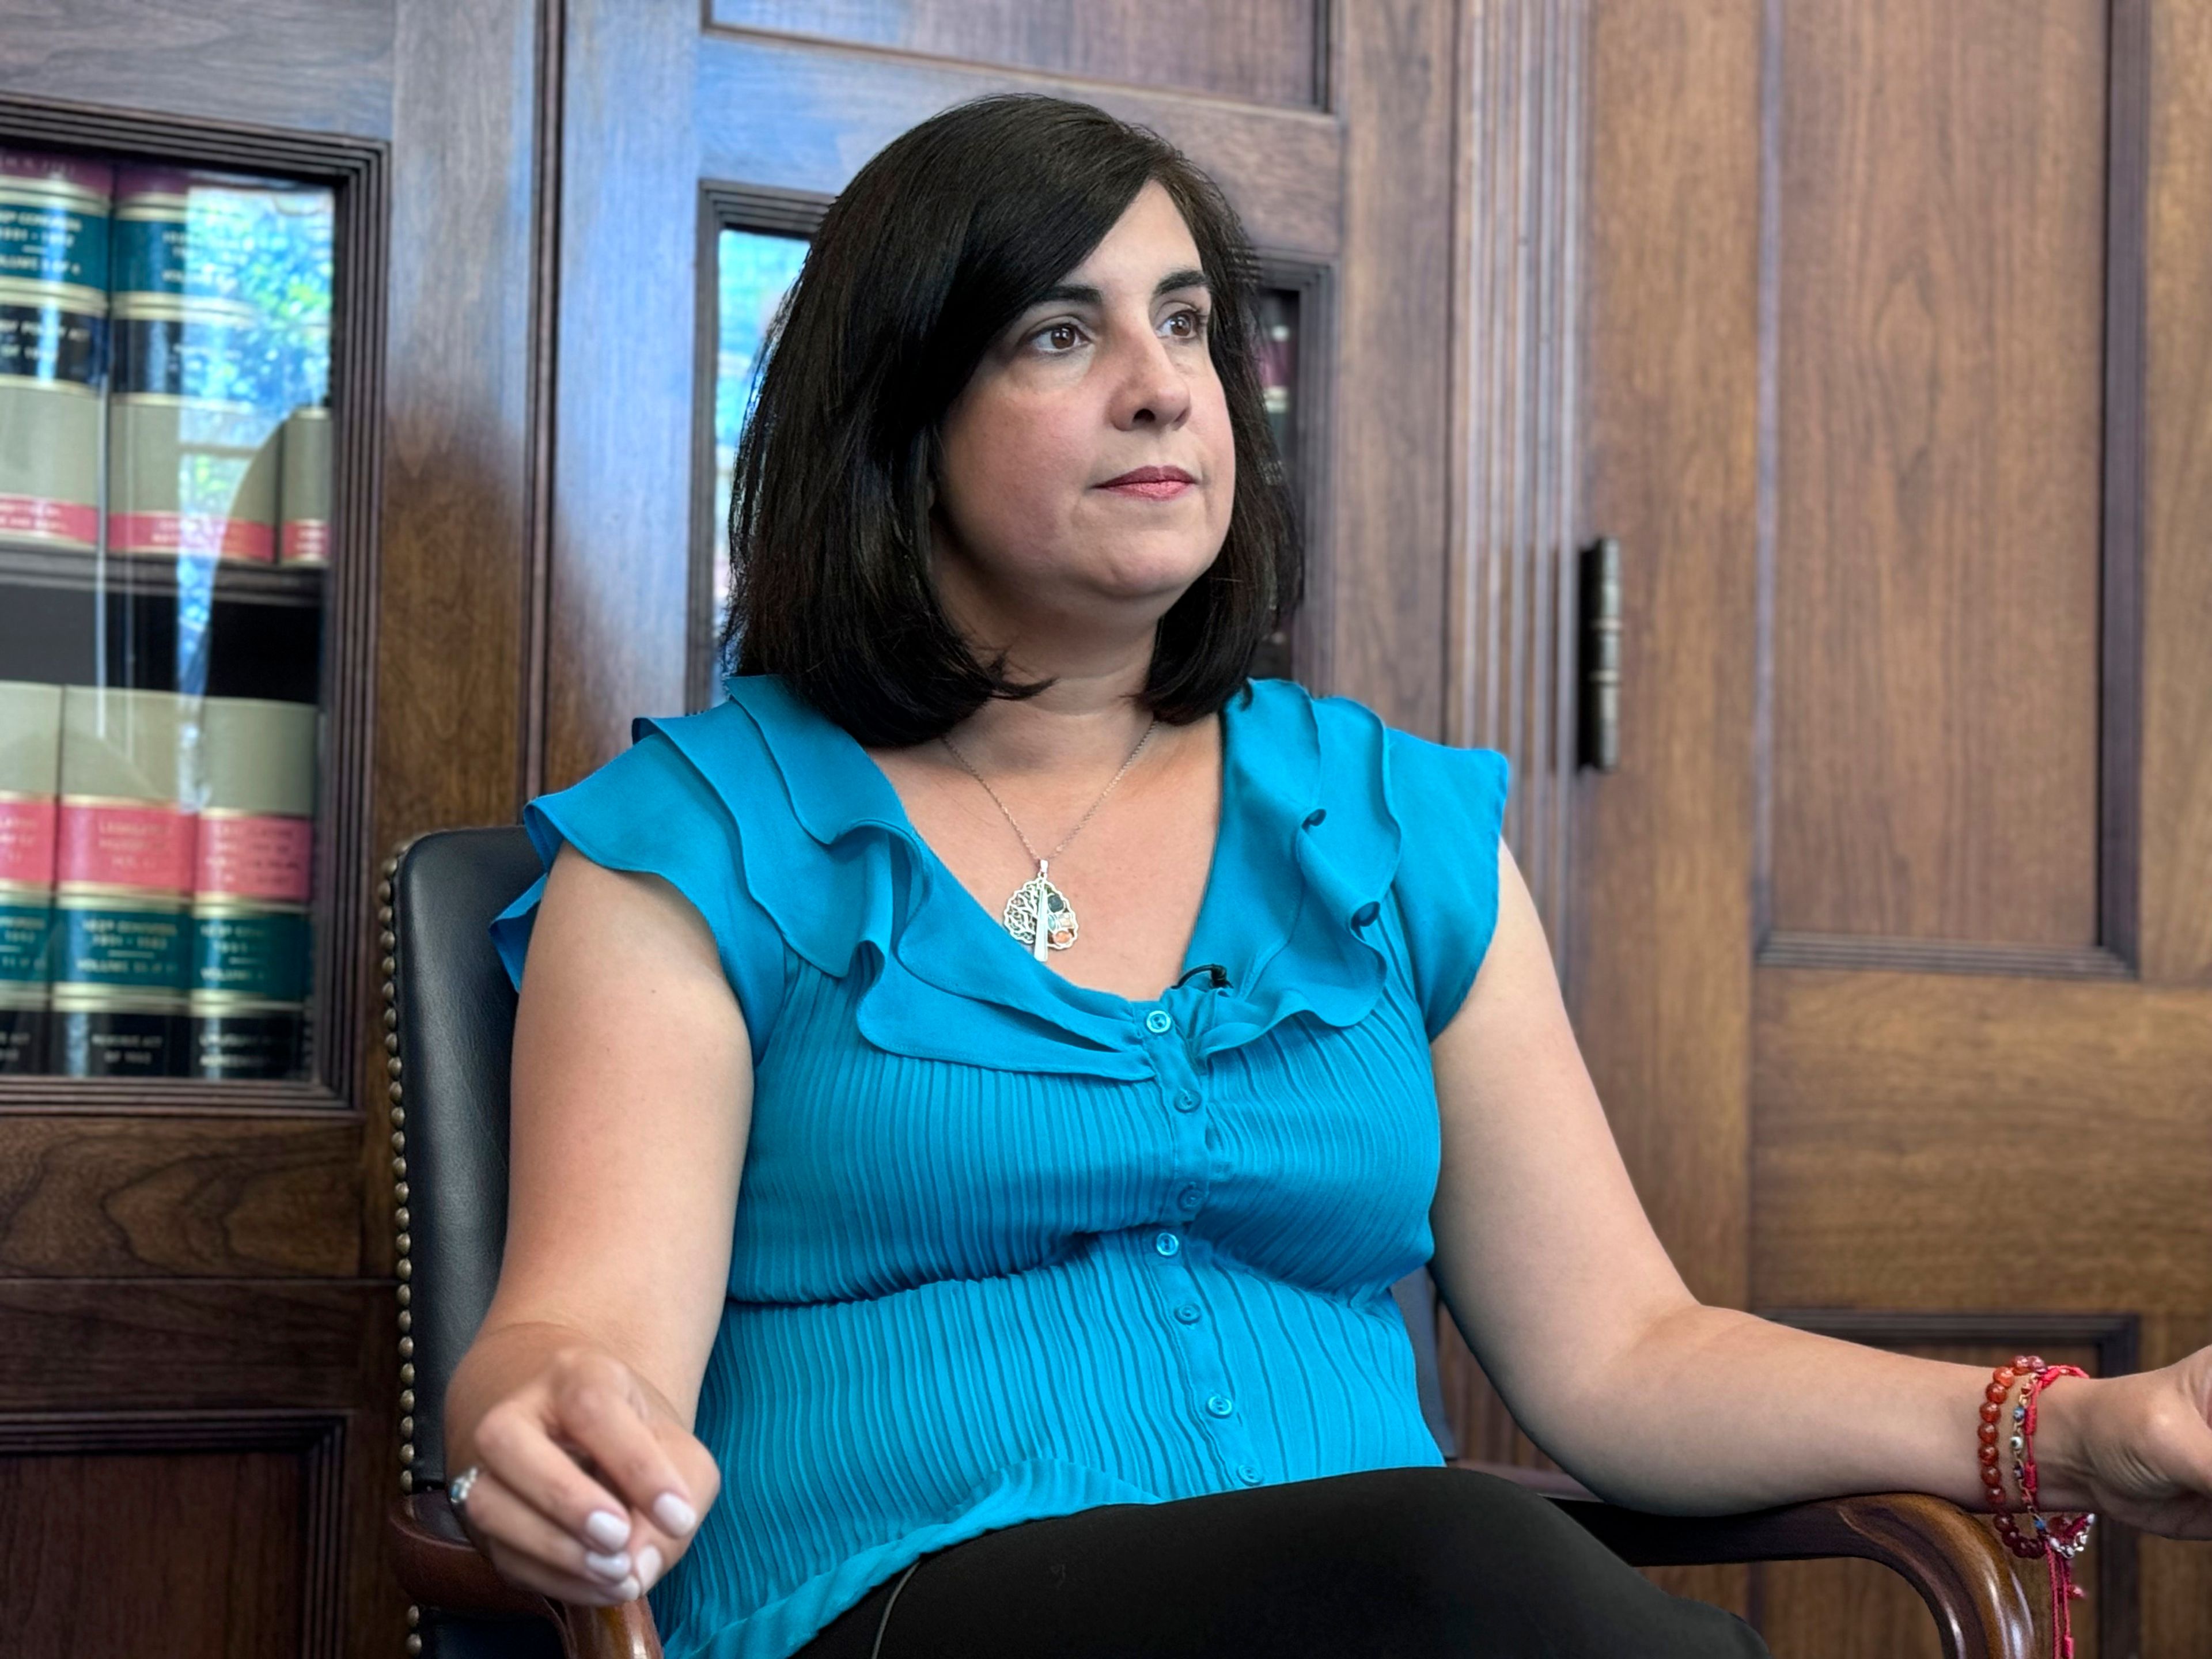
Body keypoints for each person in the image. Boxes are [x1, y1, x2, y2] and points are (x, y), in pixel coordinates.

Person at [448, 94, 2212, 1659]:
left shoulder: (1382, 823)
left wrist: (2067, 1432)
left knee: (1454, 1574)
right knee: (1456, 1562)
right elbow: (576, 1340)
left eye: (1191, 324)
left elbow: (1626, 1356)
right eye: (1060, 334)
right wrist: (545, 1425)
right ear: (900, 421)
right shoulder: (698, 844)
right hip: (918, 1608)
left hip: (1414, 1614)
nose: (1164, 385)